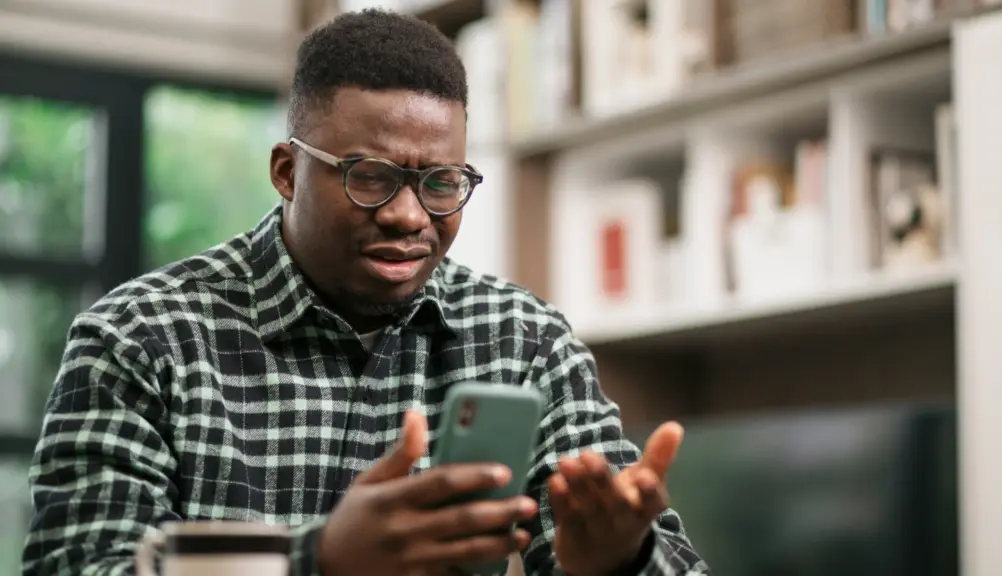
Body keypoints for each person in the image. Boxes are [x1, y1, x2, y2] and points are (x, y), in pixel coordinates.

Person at [22, 8, 708, 576]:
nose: (410, 216)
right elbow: (79, 565)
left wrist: (622, 559)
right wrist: (316, 561)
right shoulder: (138, 341)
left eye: (441, 183)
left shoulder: (524, 342)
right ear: (288, 171)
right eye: (370, 176)